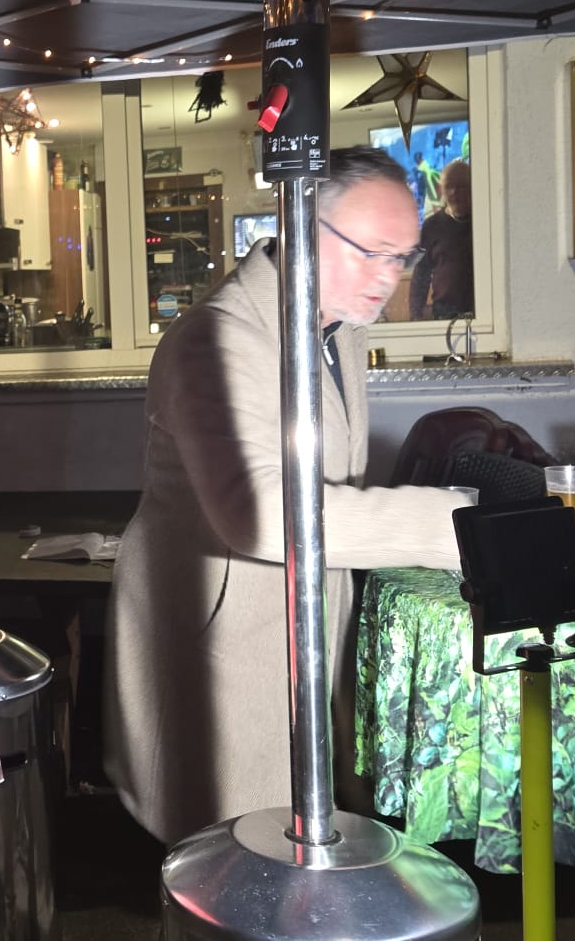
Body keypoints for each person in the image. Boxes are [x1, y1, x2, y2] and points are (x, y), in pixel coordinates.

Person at [102, 147, 464, 848]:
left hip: (303, 629)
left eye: (404, 257)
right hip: (225, 639)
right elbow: (263, 516)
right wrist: (457, 524)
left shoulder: (338, 327)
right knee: (232, 857)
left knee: (297, 849)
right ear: (298, 223)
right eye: (372, 252)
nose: (389, 277)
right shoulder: (215, 336)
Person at [409, 159, 473, 321]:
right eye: (449, 186)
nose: (454, 193)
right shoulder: (431, 226)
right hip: (443, 315)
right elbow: (421, 274)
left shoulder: (484, 223)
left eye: (462, 186)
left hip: (482, 315)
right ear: (441, 189)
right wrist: (415, 316)